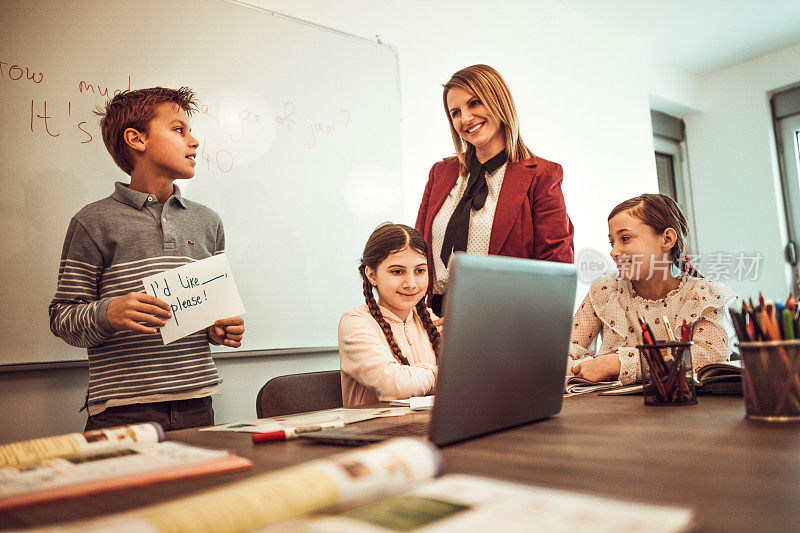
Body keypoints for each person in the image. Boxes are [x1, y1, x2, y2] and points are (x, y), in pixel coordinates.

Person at [49, 87, 245, 430]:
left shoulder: (208, 221)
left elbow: (212, 312)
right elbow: (62, 317)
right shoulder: (93, 222)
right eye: (179, 130)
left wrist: (220, 328)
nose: (194, 141)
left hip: (198, 403)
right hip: (122, 411)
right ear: (136, 140)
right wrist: (108, 313)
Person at [415, 64, 574, 316]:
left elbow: (556, 268)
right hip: (437, 317)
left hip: (506, 318)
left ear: (499, 102)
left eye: (475, 103)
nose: (465, 119)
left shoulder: (541, 175)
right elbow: (417, 251)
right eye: (455, 112)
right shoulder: (440, 173)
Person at [569, 193, 737, 384]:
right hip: (611, 411)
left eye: (625, 238)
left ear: (666, 239)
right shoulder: (605, 291)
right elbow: (567, 351)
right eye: (612, 242)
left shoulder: (706, 296)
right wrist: (575, 366)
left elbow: (708, 357)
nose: (614, 252)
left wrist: (617, 364)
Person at [339, 223, 441, 406]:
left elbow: (474, 377)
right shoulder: (355, 323)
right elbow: (394, 385)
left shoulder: (431, 320)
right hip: (375, 432)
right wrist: (445, 375)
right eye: (397, 271)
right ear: (371, 275)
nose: (411, 283)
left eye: (419, 271)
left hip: (430, 428)